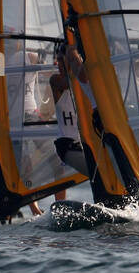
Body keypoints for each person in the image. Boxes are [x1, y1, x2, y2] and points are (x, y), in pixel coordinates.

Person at [50, 43, 133, 209]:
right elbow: (76, 79)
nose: (58, 64)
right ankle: (115, 203)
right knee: (102, 171)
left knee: (113, 170)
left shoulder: (84, 77)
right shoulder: (57, 81)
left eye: (61, 61)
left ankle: (121, 203)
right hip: (69, 148)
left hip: (89, 143)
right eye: (57, 61)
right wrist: (73, 53)